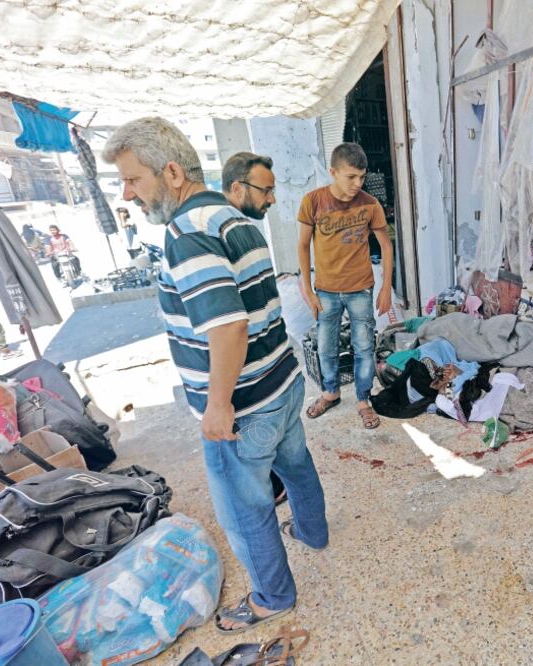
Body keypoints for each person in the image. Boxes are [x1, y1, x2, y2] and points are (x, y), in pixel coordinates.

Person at [102, 117, 328, 634]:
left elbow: (228, 328)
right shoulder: (233, 216)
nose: (128, 193)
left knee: (243, 510)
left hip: (245, 403)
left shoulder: (185, 234)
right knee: (296, 467)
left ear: (174, 171)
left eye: (133, 179)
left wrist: (217, 404)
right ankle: (313, 533)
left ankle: (273, 596)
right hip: (283, 381)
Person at [297, 142, 394, 430]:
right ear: (333, 172)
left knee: (364, 347)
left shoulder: (369, 204)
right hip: (326, 289)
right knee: (325, 347)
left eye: (361, 177)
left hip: (361, 289)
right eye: (351, 177)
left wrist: (386, 288)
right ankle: (330, 392)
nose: (357, 184)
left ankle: (363, 399)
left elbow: (386, 246)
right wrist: (307, 289)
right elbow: (302, 246)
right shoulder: (313, 201)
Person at [222, 151, 287, 505]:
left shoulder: (244, 232)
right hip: (265, 375)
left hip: (260, 380)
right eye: (266, 191)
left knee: (255, 474)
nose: (272, 199)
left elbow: (237, 324)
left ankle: (274, 492)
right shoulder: (226, 235)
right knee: (289, 461)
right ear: (237, 188)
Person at [222, 152, 276, 221]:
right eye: (266, 191)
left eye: (272, 191)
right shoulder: (227, 228)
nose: (273, 200)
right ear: (237, 189)